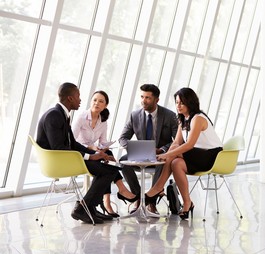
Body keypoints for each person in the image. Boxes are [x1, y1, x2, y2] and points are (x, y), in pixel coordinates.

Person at [36, 82, 120, 224]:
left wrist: (99, 154)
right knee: (108, 171)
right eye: (78, 96)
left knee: (110, 166)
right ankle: (83, 208)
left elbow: (73, 144)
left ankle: (90, 208)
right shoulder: (54, 116)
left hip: (66, 158)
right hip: (58, 162)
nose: (80, 99)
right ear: (70, 98)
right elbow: (58, 148)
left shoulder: (62, 114)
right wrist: (90, 156)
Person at [144, 87, 223, 220]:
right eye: (176, 102)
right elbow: (176, 143)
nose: (178, 106)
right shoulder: (183, 119)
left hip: (211, 156)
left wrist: (166, 155)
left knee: (173, 156)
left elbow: (189, 144)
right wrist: (169, 154)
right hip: (195, 155)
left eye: (182, 102)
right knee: (176, 163)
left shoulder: (197, 118)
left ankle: (157, 187)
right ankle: (187, 203)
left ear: (190, 102)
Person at [72, 90, 138, 217]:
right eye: (95, 100)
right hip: (81, 154)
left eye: (101, 101)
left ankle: (107, 201)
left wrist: (102, 147)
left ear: (105, 105)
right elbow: (73, 141)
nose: (97, 103)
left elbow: (102, 141)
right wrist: (91, 147)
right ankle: (119, 191)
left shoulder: (103, 121)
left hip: (94, 153)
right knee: (108, 166)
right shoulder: (81, 117)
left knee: (108, 154)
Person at [118, 84, 178, 214]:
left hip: (160, 155)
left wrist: (162, 149)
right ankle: (138, 197)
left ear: (157, 100)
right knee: (122, 161)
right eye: (142, 97)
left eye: (148, 98)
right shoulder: (134, 116)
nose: (143, 101)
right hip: (141, 154)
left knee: (163, 162)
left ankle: (151, 201)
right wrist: (136, 148)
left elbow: (177, 141)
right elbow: (122, 138)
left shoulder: (169, 116)